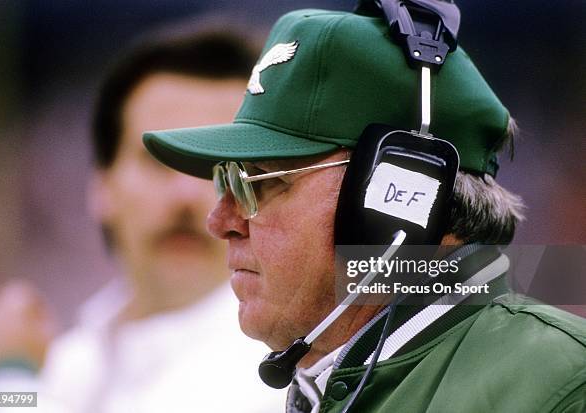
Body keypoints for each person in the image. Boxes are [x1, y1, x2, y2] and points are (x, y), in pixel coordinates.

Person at [142, 5, 586, 413]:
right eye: (225, 180)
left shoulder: (563, 386)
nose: (219, 222)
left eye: (260, 181)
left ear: (400, 201)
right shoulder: (322, 382)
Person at [0, 25, 285, 413]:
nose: (186, 195)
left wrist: (4, 375)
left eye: (214, 166)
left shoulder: (274, 373)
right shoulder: (70, 358)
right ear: (100, 184)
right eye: (157, 159)